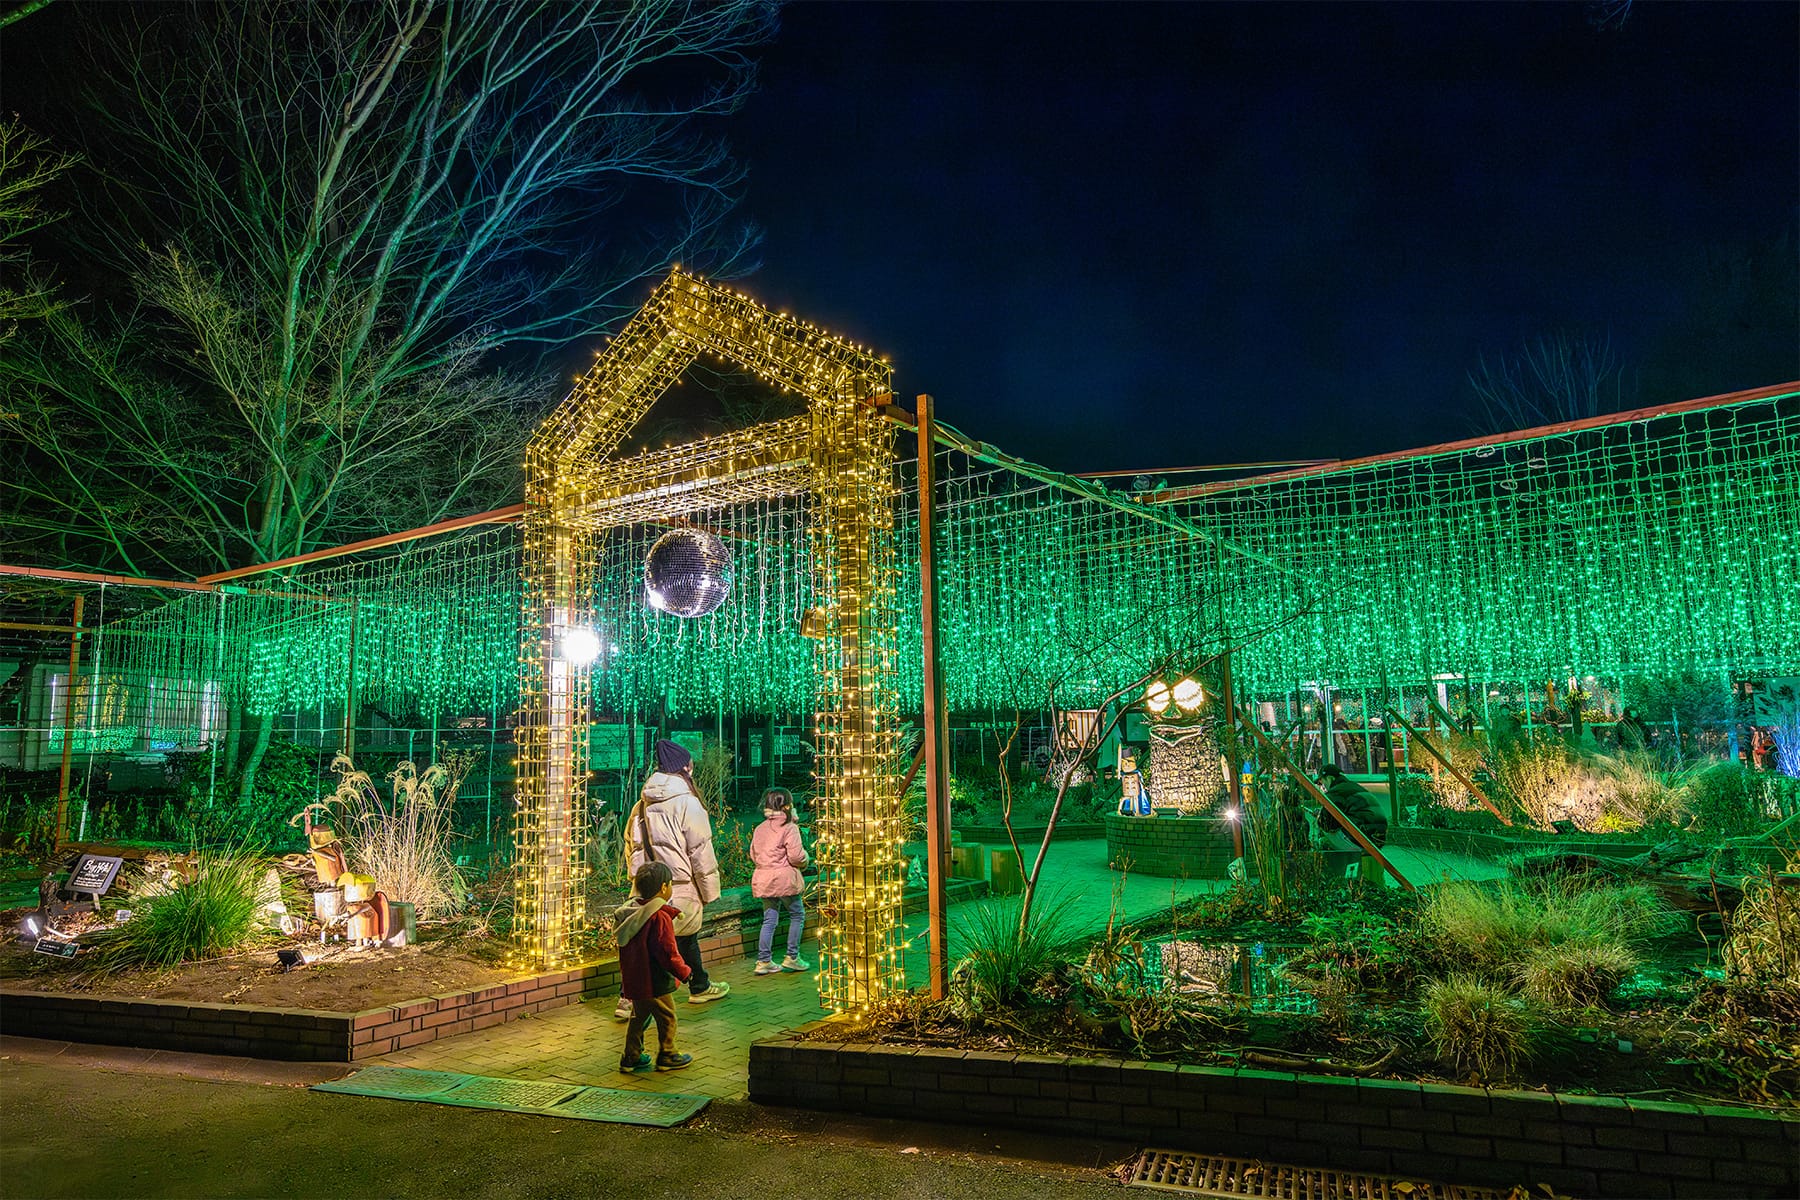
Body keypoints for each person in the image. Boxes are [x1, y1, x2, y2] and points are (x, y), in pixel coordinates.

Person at [616, 738, 730, 1021]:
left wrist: (639, 883)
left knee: (650, 941)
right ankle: (695, 987)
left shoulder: (642, 804)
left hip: (647, 887)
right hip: (678, 885)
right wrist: (710, 891)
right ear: (684, 769)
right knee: (681, 940)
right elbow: (700, 850)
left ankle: (630, 998)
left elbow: (632, 846)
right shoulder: (687, 804)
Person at [613, 861, 692, 1073]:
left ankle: (631, 1056)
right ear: (664, 888)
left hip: (634, 979)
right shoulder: (658, 917)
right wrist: (685, 972)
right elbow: (667, 952)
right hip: (655, 980)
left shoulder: (630, 913)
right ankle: (668, 1054)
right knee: (667, 1016)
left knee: (639, 1017)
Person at [750, 788, 810, 976]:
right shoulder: (789, 827)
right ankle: (792, 956)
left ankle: (763, 960)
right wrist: (806, 859)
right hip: (784, 879)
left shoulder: (760, 828)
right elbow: (796, 856)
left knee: (769, 919)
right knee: (797, 915)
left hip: (764, 878)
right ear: (787, 806)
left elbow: (753, 854)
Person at [1314, 763, 1389, 849]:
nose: (1322, 786)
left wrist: (1319, 816)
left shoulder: (1335, 792)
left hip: (1358, 841)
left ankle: (1333, 860)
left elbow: (1328, 825)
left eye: (1321, 782)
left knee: (1323, 837)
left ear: (1330, 778)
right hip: (1378, 841)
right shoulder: (1355, 787)